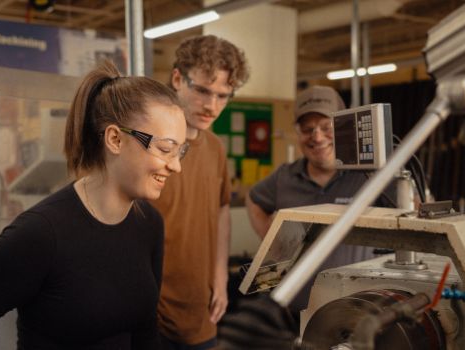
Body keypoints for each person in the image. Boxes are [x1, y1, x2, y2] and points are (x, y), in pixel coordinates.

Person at [0, 60, 188, 349]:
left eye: (180, 151)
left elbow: (145, 333)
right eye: (165, 149)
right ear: (115, 139)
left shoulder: (149, 224)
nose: (176, 165)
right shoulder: (40, 234)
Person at [245, 85, 395, 313]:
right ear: (297, 132)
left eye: (327, 127)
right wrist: (271, 239)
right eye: (308, 129)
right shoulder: (285, 176)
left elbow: (410, 213)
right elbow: (253, 199)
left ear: (344, 127)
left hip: (355, 311)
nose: (317, 136)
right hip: (292, 311)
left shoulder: (372, 176)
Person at [151, 35, 249, 350]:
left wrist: (220, 276)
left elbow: (221, 210)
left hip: (202, 311)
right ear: (177, 78)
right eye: (203, 91)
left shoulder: (216, 148)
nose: (212, 106)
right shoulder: (148, 144)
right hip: (149, 313)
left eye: (223, 96)